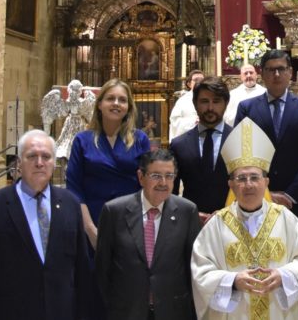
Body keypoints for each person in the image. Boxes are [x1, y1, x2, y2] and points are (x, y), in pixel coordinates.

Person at [191, 119, 298, 319]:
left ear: (266, 182)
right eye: (241, 178)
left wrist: (284, 276)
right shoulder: (216, 225)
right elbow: (200, 273)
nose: (248, 185)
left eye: (255, 177)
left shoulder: (286, 220)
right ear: (231, 184)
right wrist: (232, 281)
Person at [0, 130, 93, 320]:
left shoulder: (70, 205)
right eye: (32, 156)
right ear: (19, 163)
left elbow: (82, 271)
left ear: (54, 163)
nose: (40, 162)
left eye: (46, 157)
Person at [95, 148, 201, 319]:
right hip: (126, 312)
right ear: (141, 177)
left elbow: (193, 268)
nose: (163, 183)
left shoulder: (187, 211)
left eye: (169, 176)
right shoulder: (114, 211)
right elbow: (103, 270)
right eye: (156, 176)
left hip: (173, 311)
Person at [235, 49, 298, 231]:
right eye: (270, 70)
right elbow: (241, 154)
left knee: (296, 256)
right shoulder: (247, 109)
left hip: (296, 201)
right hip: (256, 198)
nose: (276, 74)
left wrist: (290, 195)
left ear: (290, 73)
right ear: (262, 74)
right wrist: (266, 193)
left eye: (281, 69)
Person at [66, 77, 152, 247]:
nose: (116, 103)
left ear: (128, 107)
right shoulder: (82, 140)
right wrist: (90, 229)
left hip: (131, 220)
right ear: (99, 104)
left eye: (122, 100)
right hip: (91, 220)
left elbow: (148, 184)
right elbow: (74, 187)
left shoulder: (140, 139)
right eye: (110, 98)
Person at [170, 77, 233, 220]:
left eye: (216, 101)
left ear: (226, 103)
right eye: (204, 101)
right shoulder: (179, 145)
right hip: (190, 224)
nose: (210, 108)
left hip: (232, 225)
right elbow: (171, 194)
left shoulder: (239, 140)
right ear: (195, 103)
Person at [41, 79, 95, 160]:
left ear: (80, 91)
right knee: (66, 143)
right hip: (69, 124)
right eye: (73, 90)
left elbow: (90, 116)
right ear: (69, 90)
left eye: (77, 90)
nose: (74, 92)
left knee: (81, 144)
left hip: (80, 124)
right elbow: (62, 111)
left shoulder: (83, 102)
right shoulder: (67, 102)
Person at [169, 70, 206, 141]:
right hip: (188, 139)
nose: (199, 82)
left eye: (202, 80)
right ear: (189, 84)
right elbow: (175, 121)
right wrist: (194, 122)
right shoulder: (182, 101)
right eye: (196, 80)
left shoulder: (211, 97)